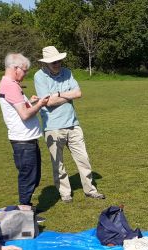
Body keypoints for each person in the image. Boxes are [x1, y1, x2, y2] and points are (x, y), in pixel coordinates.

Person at [34, 46, 105, 204]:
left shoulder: (67, 72)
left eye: (59, 60)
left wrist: (58, 94)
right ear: (46, 63)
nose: (57, 63)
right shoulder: (39, 76)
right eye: (53, 62)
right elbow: (48, 102)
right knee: (58, 163)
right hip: (52, 127)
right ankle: (65, 193)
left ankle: (90, 190)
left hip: (73, 124)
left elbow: (78, 93)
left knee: (83, 159)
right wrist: (67, 95)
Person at [0, 53, 50, 207]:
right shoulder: (11, 86)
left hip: (26, 139)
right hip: (23, 141)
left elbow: (18, 107)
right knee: (28, 178)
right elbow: (25, 115)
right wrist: (40, 104)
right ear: (15, 68)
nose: (25, 74)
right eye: (25, 70)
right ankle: (25, 212)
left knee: (33, 176)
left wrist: (30, 101)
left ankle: (26, 210)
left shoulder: (9, 84)